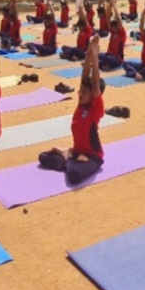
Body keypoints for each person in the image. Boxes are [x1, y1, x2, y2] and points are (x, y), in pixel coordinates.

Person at [39, 37, 106, 184]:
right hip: (78, 154)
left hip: (92, 157)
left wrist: (95, 56)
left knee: (74, 174)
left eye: (84, 92)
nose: (80, 94)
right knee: (43, 157)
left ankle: (67, 157)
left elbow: (95, 82)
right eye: (80, 91)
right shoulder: (81, 105)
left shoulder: (95, 110)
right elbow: (84, 77)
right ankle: (69, 157)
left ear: (94, 95)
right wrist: (89, 53)